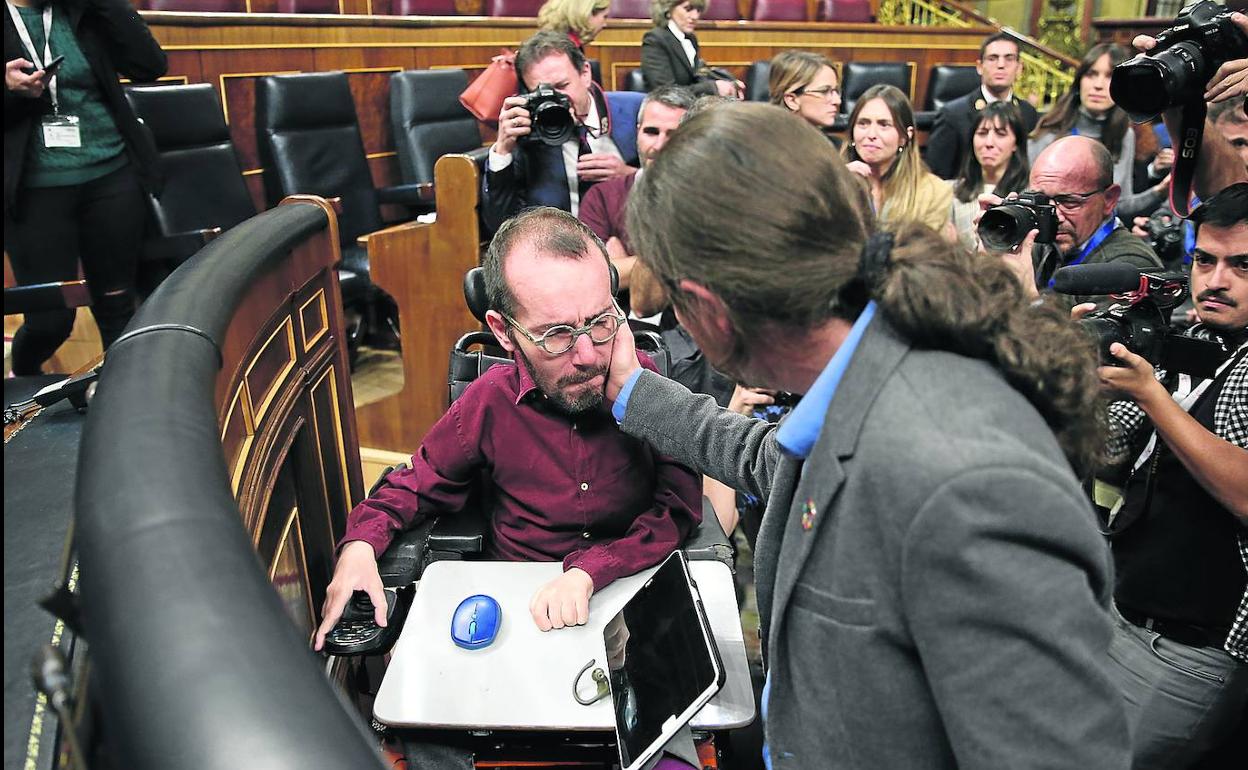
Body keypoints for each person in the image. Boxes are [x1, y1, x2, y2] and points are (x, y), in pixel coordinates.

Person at [605, 101, 1130, 768]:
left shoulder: (968, 483)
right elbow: (778, 463)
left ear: (706, 307)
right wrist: (637, 394)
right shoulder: (861, 373)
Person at [314, 206, 700, 649]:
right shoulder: (488, 402)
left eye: (601, 322)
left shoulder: (645, 384)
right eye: (556, 334)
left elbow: (679, 506)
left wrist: (593, 569)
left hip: (633, 587)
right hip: (518, 600)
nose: (589, 355)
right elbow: (413, 486)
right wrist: (360, 546)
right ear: (502, 331)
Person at [1081, 183, 1248, 769]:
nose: (1215, 280)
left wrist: (1153, 395)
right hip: (1123, 611)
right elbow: (1110, 449)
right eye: (1205, 260)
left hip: (1193, 647)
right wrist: (1085, 368)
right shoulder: (1195, 336)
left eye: (1241, 266)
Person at [4, 0, 165, 374]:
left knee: (118, 306)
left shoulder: (84, 10)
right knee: (50, 323)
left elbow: (150, 66)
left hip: (111, 174)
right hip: (33, 189)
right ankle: (23, 375)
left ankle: (122, 407)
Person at [482, 31, 637, 235]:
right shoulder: (527, 133)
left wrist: (630, 176)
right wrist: (502, 151)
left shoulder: (636, 110)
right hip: (559, 252)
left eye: (562, 86)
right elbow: (500, 226)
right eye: (542, 91)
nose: (556, 98)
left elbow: (682, 186)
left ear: (585, 73)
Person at [987, 135, 1163, 308]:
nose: (1055, 216)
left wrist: (1030, 297)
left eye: (1069, 202)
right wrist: (990, 255)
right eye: (1041, 201)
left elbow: (1088, 337)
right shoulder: (1038, 243)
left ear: (1109, 199)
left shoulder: (1128, 267)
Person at [579, 84, 694, 301]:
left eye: (673, 134)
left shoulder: (705, 198)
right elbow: (590, 278)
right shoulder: (601, 196)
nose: (659, 145)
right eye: (651, 132)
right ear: (638, 131)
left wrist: (620, 268)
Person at [1029, 43, 1168, 221]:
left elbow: (1120, 205)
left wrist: (1159, 191)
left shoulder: (1125, 135)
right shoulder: (1049, 131)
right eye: (1091, 74)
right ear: (1079, 81)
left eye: (1109, 76)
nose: (1098, 85)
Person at [926, 32, 1039, 180]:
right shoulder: (952, 114)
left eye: (1009, 59)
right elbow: (937, 177)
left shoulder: (1027, 112)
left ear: (1019, 68)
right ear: (979, 66)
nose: (1001, 65)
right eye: (993, 58)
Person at [843, 84, 952, 232]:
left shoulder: (934, 192)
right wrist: (836, 187)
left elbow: (924, 251)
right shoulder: (832, 183)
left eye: (884, 125)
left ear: (905, 136)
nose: (871, 134)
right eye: (863, 123)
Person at [948, 101, 1030, 251]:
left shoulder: (1027, 197)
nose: (989, 143)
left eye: (1000, 134)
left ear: (1016, 144)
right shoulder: (949, 191)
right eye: (982, 133)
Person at [640, 0, 738, 97]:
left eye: (698, 10)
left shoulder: (691, 38)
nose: (695, 16)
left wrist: (728, 84)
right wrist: (712, 87)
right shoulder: (655, 39)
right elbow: (665, 92)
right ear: (669, 9)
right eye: (688, 9)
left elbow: (695, 77)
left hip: (690, 105)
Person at [768, 50, 841, 133]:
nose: (837, 101)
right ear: (792, 100)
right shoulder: (764, 143)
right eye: (824, 91)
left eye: (836, 91)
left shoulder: (835, 143)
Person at [536, 0, 610, 51]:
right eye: (604, 17)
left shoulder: (552, 45)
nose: (605, 24)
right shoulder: (561, 54)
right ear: (587, 14)